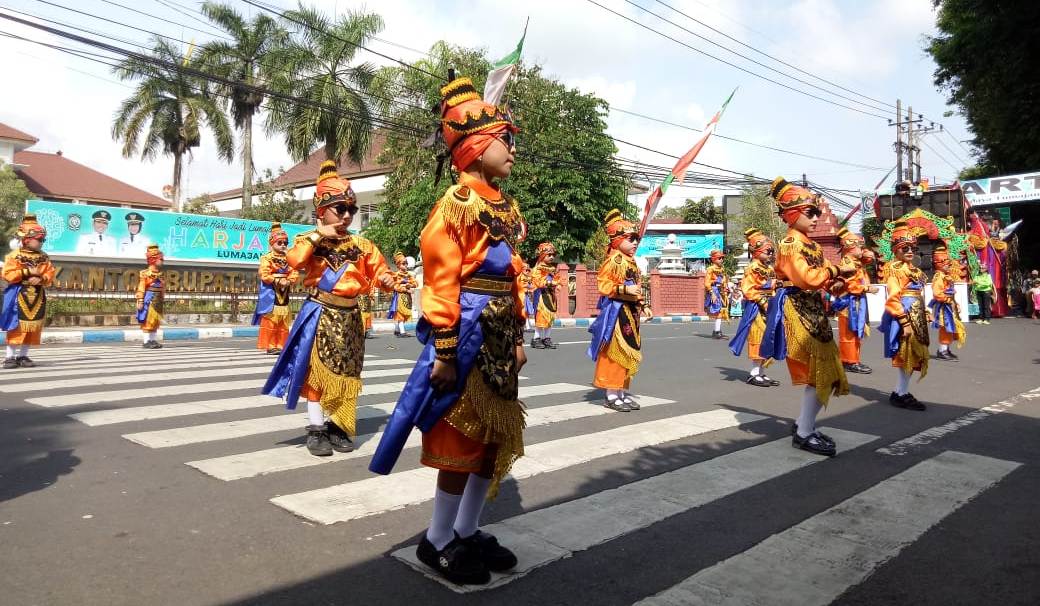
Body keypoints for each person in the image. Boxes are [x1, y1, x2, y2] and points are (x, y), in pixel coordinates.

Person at [369, 75, 526, 585]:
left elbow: (515, 274)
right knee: (461, 436)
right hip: (469, 333)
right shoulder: (455, 206)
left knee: (491, 441)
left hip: (501, 334)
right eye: (506, 140)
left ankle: (467, 527)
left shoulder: (507, 205)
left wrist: (520, 337)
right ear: (478, 147)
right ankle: (436, 539)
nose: (513, 150)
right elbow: (441, 279)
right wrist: (444, 348)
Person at [262, 161, 395, 457]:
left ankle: (339, 425)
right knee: (317, 374)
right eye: (340, 209)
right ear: (322, 211)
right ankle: (316, 428)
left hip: (350, 317)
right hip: (320, 313)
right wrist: (318, 234)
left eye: (351, 210)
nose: (347, 216)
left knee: (348, 373)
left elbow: (379, 273)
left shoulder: (362, 244)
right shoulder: (308, 241)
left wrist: (387, 279)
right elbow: (294, 261)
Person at [760, 177, 855, 457]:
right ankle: (803, 433)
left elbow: (824, 279)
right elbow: (807, 279)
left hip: (812, 309)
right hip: (798, 310)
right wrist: (837, 272)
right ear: (791, 214)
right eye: (810, 212)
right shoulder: (791, 244)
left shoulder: (811, 246)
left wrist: (840, 280)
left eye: (817, 213)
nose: (816, 218)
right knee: (816, 373)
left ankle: (804, 425)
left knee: (824, 370)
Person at [588, 209, 652, 411]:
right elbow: (603, 285)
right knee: (615, 353)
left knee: (627, 354)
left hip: (630, 312)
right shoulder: (614, 260)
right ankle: (611, 394)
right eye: (630, 239)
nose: (635, 243)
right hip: (617, 313)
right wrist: (624, 289)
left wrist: (643, 305)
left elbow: (636, 287)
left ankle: (621, 392)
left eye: (636, 239)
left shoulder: (630, 261)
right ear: (617, 240)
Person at [879, 220, 929, 411]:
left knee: (913, 355)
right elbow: (893, 298)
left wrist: (925, 312)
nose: (910, 251)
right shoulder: (895, 269)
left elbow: (918, 294)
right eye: (905, 248)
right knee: (905, 355)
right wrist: (905, 322)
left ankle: (901, 391)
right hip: (906, 318)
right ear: (896, 250)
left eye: (912, 248)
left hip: (916, 316)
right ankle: (900, 393)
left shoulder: (913, 269)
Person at [2, 214, 56, 368]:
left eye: (42, 240)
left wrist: (42, 278)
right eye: (39, 239)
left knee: (33, 326)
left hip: (37, 295)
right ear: (26, 239)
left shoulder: (44, 257)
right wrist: (27, 273)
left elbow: (50, 273)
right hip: (18, 294)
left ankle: (23, 355)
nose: (41, 242)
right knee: (16, 325)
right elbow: (8, 274)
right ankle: (9, 357)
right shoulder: (14, 256)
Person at [729, 228, 779, 387]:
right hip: (757, 308)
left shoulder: (769, 268)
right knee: (758, 338)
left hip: (769, 306)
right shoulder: (752, 268)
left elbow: (772, 287)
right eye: (767, 251)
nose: (770, 254)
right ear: (756, 252)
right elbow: (748, 289)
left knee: (768, 338)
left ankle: (762, 373)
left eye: (771, 251)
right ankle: (754, 373)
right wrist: (763, 300)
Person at [832, 228, 874, 375]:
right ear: (849, 247)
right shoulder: (848, 263)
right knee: (849, 332)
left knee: (855, 331)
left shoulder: (856, 261)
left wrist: (865, 253)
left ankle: (852, 359)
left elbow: (869, 258)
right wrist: (866, 289)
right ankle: (849, 361)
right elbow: (851, 285)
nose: (861, 249)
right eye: (858, 246)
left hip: (856, 300)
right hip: (848, 301)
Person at [253, 223, 299, 355]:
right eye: (280, 243)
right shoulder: (267, 258)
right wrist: (279, 281)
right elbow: (264, 274)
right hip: (271, 293)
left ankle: (281, 344)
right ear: (272, 244)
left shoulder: (289, 258)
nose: (283, 245)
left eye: (285, 242)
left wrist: (289, 280)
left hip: (284, 293)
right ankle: (271, 345)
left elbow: (294, 272)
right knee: (271, 318)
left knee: (283, 319)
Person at [929, 244, 966, 361]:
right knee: (945, 328)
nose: (948, 265)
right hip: (943, 308)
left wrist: (955, 303)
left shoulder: (946, 276)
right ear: (938, 264)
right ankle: (942, 350)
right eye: (945, 263)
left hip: (949, 306)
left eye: (949, 263)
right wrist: (947, 298)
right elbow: (937, 293)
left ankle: (946, 349)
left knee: (950, 327)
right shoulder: (938, 276)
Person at [135, 245, 166, 349]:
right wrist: (140, 300)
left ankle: (152, 340)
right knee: (148, 320)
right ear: (153, 260)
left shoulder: (161, 274)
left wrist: (162, 297)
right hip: (149, 299)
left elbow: (162, 288)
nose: (162, 261)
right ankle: (146, 341)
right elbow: (141, 287)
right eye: (160, 259)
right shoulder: (146, 274)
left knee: (155, 321)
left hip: (158, 300)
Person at [530, 242, 559, 349]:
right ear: (542, 255)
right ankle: (536, 338)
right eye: (549, 255)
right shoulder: (537, 269)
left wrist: (557, 283)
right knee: (541, 316)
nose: (551, 257)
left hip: (551, 296)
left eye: (553, 255)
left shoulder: (552, 268)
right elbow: (538, 282)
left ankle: (547, 338)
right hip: (541, 296)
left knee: (550, 317)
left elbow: (557, 279)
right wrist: (550, 283)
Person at [387, 252, 419, 337]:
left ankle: (397, 330)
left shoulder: (408, 275)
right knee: (400, 314)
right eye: (403, 263)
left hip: (407, 298)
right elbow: (395, 286)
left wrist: (410, 285)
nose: (405, 265)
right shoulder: (396, 275)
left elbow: (416, 283)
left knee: (402, 315)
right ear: (398, 265)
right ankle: (402, 332)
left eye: (406, 263)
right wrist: (406, 289)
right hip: (400, 297)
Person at [704, 249, 729, 338]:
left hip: (720, 291)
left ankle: (717, 330)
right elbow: (707, 283)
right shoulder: (710, 269)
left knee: (720, 311)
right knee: (718, 311)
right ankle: (716, 331)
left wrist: (725, 287)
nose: (721, 260)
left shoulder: (722, 269)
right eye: (719, 258)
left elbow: (724, 280)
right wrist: (712, 293)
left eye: (722, 258)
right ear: (714, 259)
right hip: (714, 290)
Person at [520, 263, 536, 333]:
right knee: (522, 311)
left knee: (527, 311)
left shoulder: (529, 277)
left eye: (528, 270)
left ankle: (527, 326)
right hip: (521, 295)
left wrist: (529, 287)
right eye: (526, 269)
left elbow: (532, 286)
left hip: (527, 295)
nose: (527, 271)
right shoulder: (520, 277)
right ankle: (523, 326)